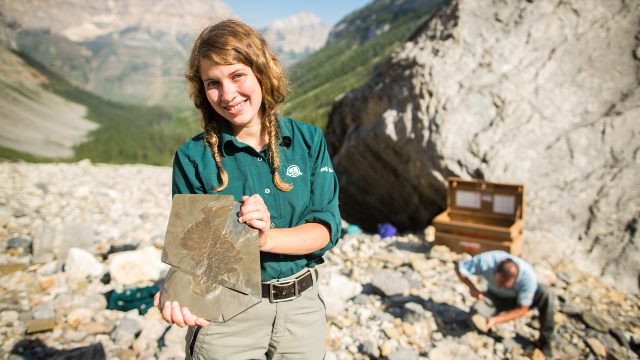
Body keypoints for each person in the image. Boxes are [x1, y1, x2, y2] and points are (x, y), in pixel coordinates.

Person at [152, 19, 341, 360]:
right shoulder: (193, 159)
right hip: (226, 314)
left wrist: (265, 240)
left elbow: (325, 229)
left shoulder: (308, 141)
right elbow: (197, 258)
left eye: (237, 75)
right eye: (213, 83)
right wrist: (180, 292)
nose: (227, 95)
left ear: (262, 73)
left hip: (302, 312)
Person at [455, 250, 556, 358]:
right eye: (498, 282)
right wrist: (472, 287)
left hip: (518, 300)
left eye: (504, 285)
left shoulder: (528, 277)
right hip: (494, 297)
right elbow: (459, 268)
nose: (500, 286)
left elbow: (522, 309)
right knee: (476, 311)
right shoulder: (487, 260)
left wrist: (496, 319)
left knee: (547, 293)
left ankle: (546, 341)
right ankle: (488, 332)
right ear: (495, 269)